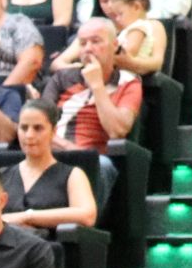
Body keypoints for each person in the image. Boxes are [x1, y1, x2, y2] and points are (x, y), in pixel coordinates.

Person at [42, 19, 143, 198]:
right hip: (51, 153)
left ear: (114, 45)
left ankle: (86, 215)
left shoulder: (129, 82)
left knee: (103, 165)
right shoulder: (62, 78)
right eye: (83, 43)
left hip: (92, 161)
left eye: (96, 41)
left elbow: (117, 130)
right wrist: (70, 149)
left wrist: (97, 85)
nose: (88, 48)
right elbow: (39, 123)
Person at [1, 100, 101, 231]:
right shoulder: (0, 175)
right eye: (24, 128)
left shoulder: (72, 175)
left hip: (50, 243)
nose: (29, 135)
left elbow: (87, 215)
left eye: (38, 128)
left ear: (53, 131)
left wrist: (27, 216)